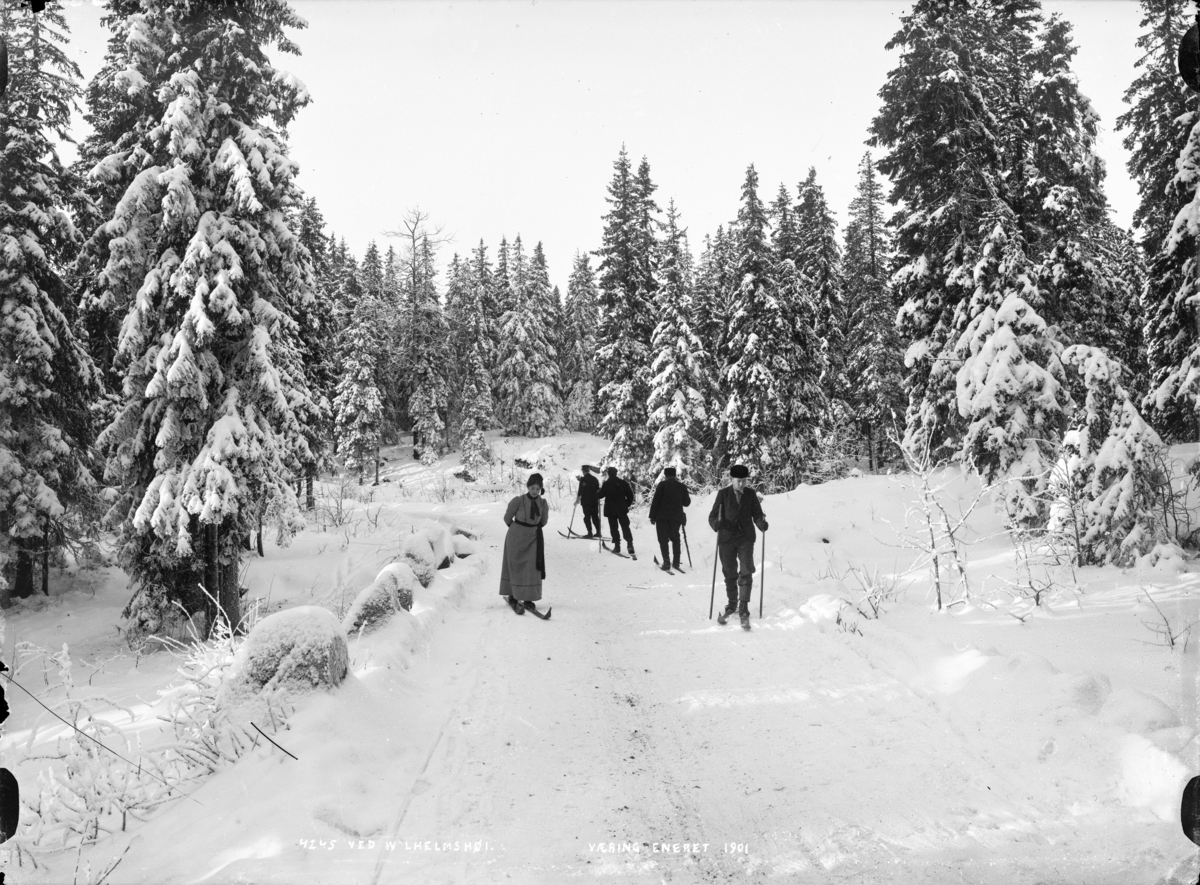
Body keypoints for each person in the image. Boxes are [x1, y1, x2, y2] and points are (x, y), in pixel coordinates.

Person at [708, 464, 768, 628]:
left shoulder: (750, 495)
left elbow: (756, 514)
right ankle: (732, 603)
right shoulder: (723, 494)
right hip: (726, 538)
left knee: (746, 570)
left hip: (745, 538)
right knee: (729, 571)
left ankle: (743, 607)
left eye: (744, 481)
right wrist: (716, 524)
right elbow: (712, 516)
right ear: (731, 479)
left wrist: (761, 523)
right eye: (738, 481)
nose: (741, 484)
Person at [499, 473, 550, 615]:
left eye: (537, 489)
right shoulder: (518, 501)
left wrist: (531, 529)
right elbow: (507, 518)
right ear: (528, 487)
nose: (535, 491)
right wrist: (518, 530)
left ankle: (528, 598)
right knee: (515, 566)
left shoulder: (543, 504)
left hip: (533, 539)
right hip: (516, 538)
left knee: (531, 569)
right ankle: (512, 595)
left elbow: (543, 521)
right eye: (532, 488)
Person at [648, 466, 691, 571]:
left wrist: (652, 516)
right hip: (676, 517)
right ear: (675, 475)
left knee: (663, 539)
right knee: (675, 538)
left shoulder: (662, 485)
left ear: (665, 475)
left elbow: (656, 501)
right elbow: (687, 503)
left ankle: (666, 562)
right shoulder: (682, 486)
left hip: (662, 517)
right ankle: (676, 562)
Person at [596, 466, 636, 556]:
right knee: (625, 527)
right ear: (616, 473)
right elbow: (630, 495)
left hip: (611, 510)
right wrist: (627, 504)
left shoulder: (606, 484)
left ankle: (617, 546)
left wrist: (598, 492)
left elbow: (601, 495)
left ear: (608, 473)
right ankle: (630, 545)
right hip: (622, 509)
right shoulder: (623, 483)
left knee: (614, 528)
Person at [576, 464, 601, 539]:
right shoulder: (595, 479)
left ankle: (589, 532)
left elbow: (580, 491)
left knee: (587, 517)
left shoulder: (583, 479)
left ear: (583, 471)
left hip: (586, 501)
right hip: (594, 501)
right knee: (595, 516)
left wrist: (577, 500)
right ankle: (598, 532)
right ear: (589, 470)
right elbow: (598, 489)